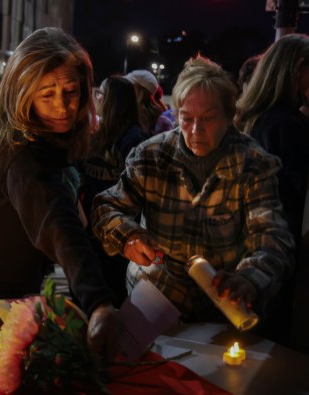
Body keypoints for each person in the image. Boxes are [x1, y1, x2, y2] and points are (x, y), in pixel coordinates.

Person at [0, 27, 119, 358]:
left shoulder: (53, 131)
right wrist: (98, 302)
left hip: (20, 265)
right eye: (47, 95)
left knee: (24, 356)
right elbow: (56, 219)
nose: (63, 107)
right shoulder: (19, 151)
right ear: (22, 94)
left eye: (71, 91)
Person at [92, 55, 295, 328]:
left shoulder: (253, 163)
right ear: (175, 115)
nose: (196, 131)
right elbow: (106, 207)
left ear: (229, 116)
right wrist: (127, 236)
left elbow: (272, 236)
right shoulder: (151, 156)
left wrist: (250, 278)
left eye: (208, 119)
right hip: (155, 297)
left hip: (222, 306)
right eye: (186, 119)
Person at [235, 34, 309, 348]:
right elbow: (299, 192)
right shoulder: (288, 126)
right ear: (298, 69)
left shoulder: (253, 118)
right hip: (280, 246)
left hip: (245, 241)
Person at [80, 76, 147, 306]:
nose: (96, 98)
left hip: (117, 235)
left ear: (113, 100)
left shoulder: (133, 139)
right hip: (89, 227)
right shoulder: (94, 133)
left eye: (101, 94)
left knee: (112, 295)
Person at [125, 69, 173, 136]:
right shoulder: (123, 116)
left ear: (140, 92)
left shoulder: (162, 123)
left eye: (129, 87)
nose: (124, 91)